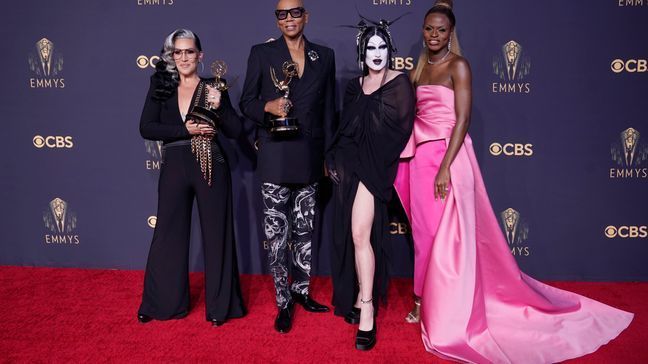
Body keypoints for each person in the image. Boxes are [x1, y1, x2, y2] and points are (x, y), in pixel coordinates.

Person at [394, 2, 633, 362]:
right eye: (429, 29)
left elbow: (462, 120)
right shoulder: (418, 69)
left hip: (447, 158)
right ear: (423, 30)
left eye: (441, 30)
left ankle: (443, 306)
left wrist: (445, 167)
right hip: (419, 160)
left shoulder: (459, 66)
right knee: (424, 235)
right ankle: (420, 297)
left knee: (449, 239)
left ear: (451, 33)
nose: (434, 35)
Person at [239, 0, 336, 334]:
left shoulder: (324, 56)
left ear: (306, 16)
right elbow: (246, 103)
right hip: (276, 156)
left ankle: (302, 291)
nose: (289, 18)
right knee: (278, 237)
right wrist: (268, 105)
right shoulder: (261, 54)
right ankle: (283, 303)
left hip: (309, 157)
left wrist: (326, 158)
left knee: (305, 233)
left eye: (295, 12)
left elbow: (328, 113)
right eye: (282, 14)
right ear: (277, 20)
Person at [137, 28, 246, 327]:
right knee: (167, 234)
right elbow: (146, 127)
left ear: (200, 55)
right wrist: (185, 129)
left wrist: (220, 104)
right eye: (178, 52)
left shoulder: (214, 86)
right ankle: (162, 303)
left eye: (189, 51)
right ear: (172, 56)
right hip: (175, 162)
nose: (184, 57)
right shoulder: (161, 85)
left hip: (211, 162)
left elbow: (236, 131)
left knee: (217, 234)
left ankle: (221, 308)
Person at [329, 20, 415, 351]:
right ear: (361, 53)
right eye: (370, 48)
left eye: (382, 47)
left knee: (360, 234)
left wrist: (368, 166)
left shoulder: (399, 84)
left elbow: (399, 132)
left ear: (389, 50)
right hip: (349, 167)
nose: (377, 54)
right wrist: (336, 159)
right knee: (351, 236)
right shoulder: (354, 86)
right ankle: (358, 298)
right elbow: (345, 127)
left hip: (375, 169)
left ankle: (367, 309)